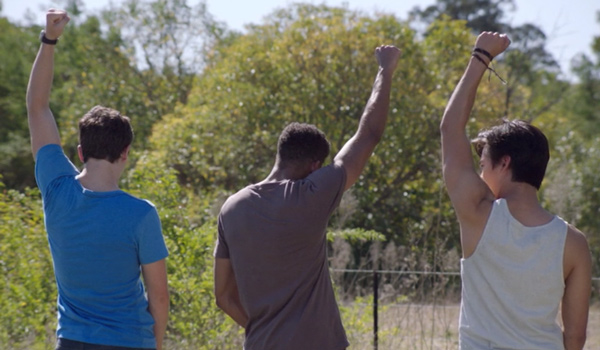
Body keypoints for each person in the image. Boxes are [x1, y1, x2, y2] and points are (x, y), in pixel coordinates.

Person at [213, 45, 401, 349]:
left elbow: (223, 296)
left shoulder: (232, 207)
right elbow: (369, 135)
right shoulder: (312, 194)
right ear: (315, 165)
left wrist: (265, 332)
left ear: (281, 154)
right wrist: (385, 70)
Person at [27, 9, 169, 350]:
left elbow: (37, 107)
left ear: (79, 151)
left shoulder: (57, 191)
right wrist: (158, 343)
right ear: (125, 153)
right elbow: (159, 298)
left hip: (73, 342)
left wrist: (49, 40)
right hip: (131, 341)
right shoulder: (141, 214)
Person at [440, 31, 592, 349]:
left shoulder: (478, 214)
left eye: (483, 165)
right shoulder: (575, 243)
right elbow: (576, 336)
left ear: (504, 163)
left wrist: (482, 55)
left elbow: (450, 127)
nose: (480, 174)